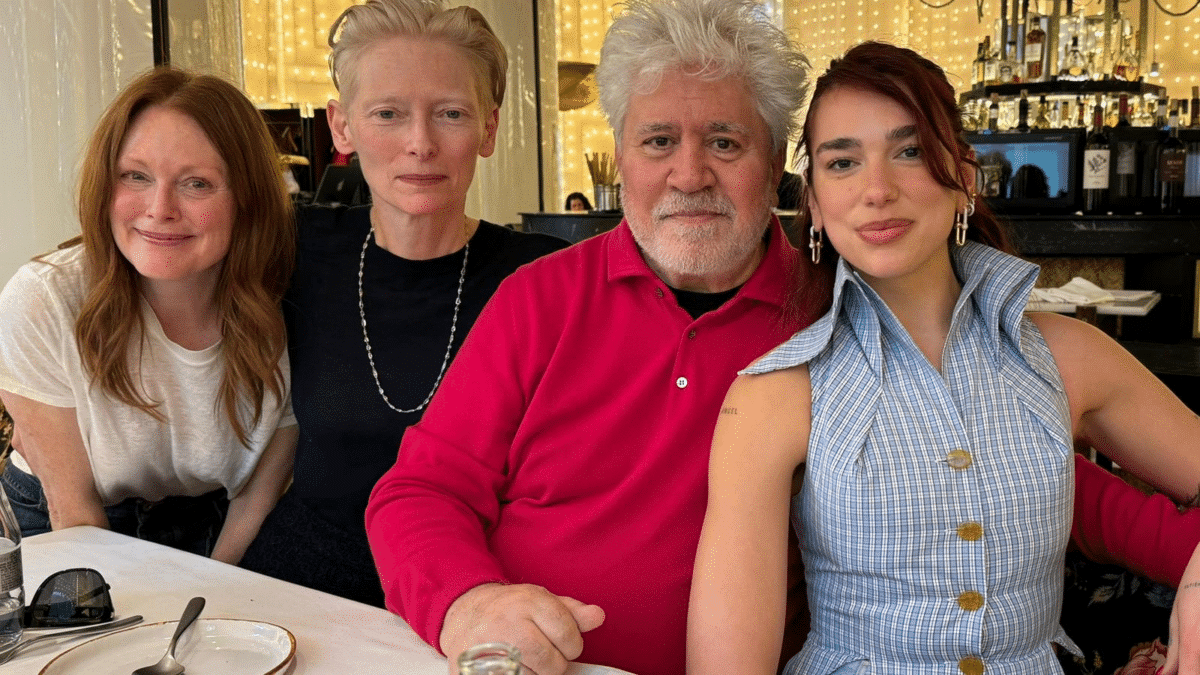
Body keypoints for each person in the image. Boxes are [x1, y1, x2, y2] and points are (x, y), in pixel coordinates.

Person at [687, 41, 1200, 675]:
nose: (877, 189)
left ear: (965, 179)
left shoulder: (1069, 356)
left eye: (908, 152)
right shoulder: (777, 393)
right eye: (843, 162)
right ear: (814, 204)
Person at [363, 2, 823, 674]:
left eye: (724, 142)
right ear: (619, 157)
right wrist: (471, 603)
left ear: (776, 159)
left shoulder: (826, 318)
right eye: (658, 141)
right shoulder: (539, 298)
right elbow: (420, 493)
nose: (689, 175)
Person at [237, 0, 567, 606]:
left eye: (450, 114)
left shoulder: (546, 275)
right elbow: (153, 249)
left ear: (489, 129)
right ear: (342, 126)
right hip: (296, 598)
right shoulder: (289, 247)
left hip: (468, 603)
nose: (420, 143)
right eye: (387, 114)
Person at [0, 67, 298, 563]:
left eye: (197, 184)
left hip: (218, 519)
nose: (159, 209)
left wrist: (215, 588)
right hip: (63, 520)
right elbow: (73, 510)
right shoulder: (43, 297)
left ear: (246, 200)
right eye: (135, 176)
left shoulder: (290, 301)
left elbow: (257, 499)